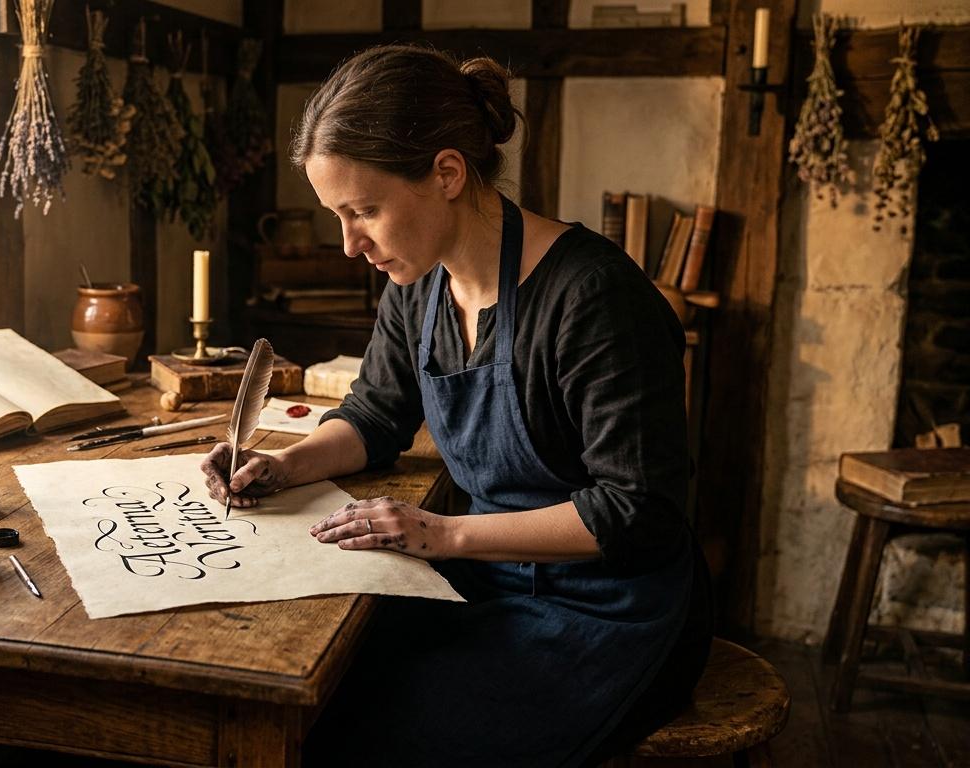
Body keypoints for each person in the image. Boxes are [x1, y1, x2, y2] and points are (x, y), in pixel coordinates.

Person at [199, 44, 711, 767]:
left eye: (365, 211)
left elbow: (638, 513)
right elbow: (376, 416)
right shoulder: (417, 286)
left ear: (446, 173)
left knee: (386, 737)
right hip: (486, 577)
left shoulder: (592, 299)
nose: (351, 245)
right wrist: (282, 466)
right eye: (338, 217)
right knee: (312, 690)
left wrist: (443, 536)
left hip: (607, 608)